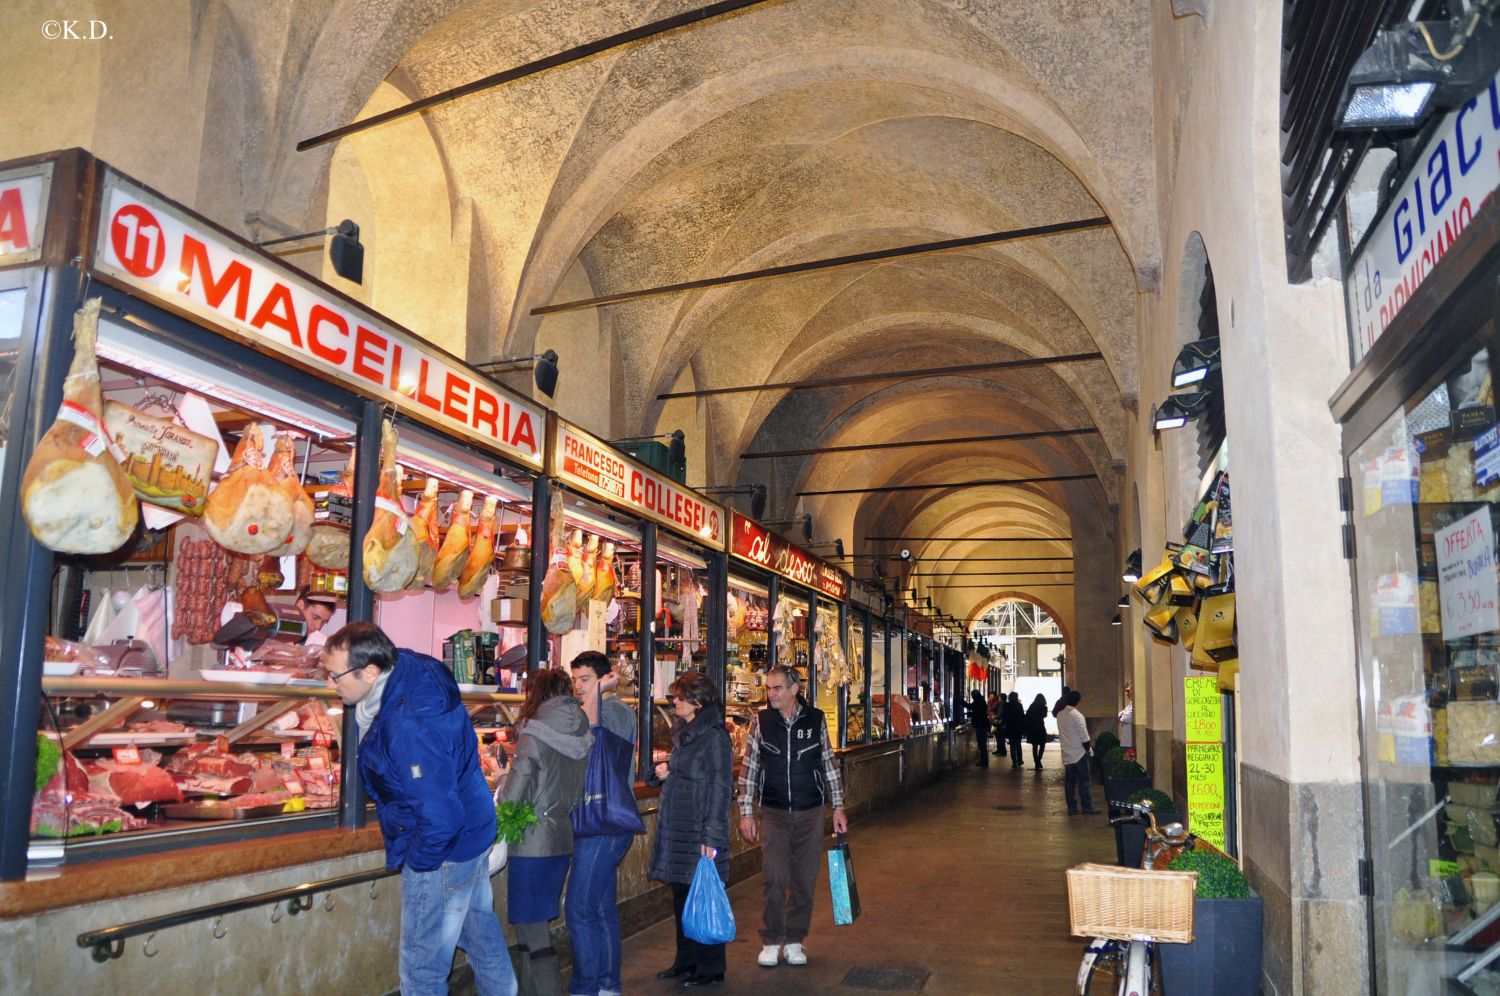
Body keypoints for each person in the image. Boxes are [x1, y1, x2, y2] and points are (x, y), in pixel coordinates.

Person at [322, 622, 515, 996]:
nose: (331, 684)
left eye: (335, 675)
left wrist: (420, 862)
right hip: (472, 836)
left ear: (371, 671)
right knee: (481, 938)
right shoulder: (409, 670)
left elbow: (441, 816)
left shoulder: (408, 726)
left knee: (421, 969)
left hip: (444, 850)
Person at [737, 666, 848, 969]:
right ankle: (772, 940)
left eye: (777, 688)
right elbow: (749, 770)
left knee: (803, 880)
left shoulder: (815, 720)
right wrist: (746, 812)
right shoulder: (761, 722)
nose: (771, 694)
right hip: (773, 812)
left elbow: (828, 764)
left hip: (810, 813)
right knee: (774, 878)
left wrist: (837, 806)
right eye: (768, 688)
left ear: (794, 688)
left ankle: (795, 940)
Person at [502, 669, 592, 996]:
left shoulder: (533, 735)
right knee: (532, 928)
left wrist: (501, 791)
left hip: (532, 842)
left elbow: (514, 795)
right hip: (561, 838)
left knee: (533, 934)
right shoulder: (581, 732)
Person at [649, 671, 733, 989]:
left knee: (705, 895)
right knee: (682, 897)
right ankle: (685, 961)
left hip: (698, 830)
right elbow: (685, 772)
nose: (675, 702)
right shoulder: (685, 733)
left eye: (680, 697)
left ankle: (710, 967)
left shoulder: (714, 736)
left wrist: (711, 837)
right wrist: (666, 770)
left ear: (697, 701)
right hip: (679, 829)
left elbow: (719, 787)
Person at [565, 652, 637, 996]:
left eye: (585, 680)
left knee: (578, 909)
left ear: (604, 678)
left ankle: (586, 987)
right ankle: (608, 984)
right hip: (601, 821)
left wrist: (600, 691)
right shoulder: (602, 706)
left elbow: (588, 733)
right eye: (575, 680)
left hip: (604, 822)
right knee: (600, 907)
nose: (579, 687)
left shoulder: (615, 710)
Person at [1057, 690, 1099, 815]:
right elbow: (1084, 736)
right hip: (1079, 753)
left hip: (1066, 752)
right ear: (1077, 701)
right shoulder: (1076, 715)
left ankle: (1071, 806)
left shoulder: (1060, 714)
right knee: (1084, 780)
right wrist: (1089, 749)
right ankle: (1086, 805)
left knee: (1069, 782)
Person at [1025, 693, 1049, 770]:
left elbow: (1027, 714)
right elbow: (1045, 715)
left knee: (1034, 746)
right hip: (1040, 727)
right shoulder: (1044, 707)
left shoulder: (1032, 706)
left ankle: (1036, 762)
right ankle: (1039, 759)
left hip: (1033, 728)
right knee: (1042, 744)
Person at [1002, 692, 1027, 768]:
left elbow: (1005, 716)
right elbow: (1022, 716)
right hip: (1018, 727)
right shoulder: (1019, 705)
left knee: (1012, 745)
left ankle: (1014, 762)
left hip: (1010, 727)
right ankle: (1020, 760)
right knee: (1018, 745)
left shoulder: (1007, 705)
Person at [967, 690, 991, 767]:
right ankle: (984, 760)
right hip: (982, 725)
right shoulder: (981, 701)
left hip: (980, 725)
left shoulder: (978, 702)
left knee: (982, 744)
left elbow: (972, 707)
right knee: (982, 744)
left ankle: (983, 761)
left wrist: (962, 702)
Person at [986, 692, 1005, 757]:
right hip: (996, 721)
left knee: (1000, 737)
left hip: (998, 722)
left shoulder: (998, 703)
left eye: (991, 695)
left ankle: (1001, 751)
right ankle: (1000, 750)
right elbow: (989, 710)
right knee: (998, 737)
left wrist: (994, 716)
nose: (990, 696)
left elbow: (991, 709)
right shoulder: (999, 703)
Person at [1118, 683, 1135, 752]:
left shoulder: (1134, 704)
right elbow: (1120, 715)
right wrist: (1122, 715)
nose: (1126, 693)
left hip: (1129, 737)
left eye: (1128, 691)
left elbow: (1125, 718)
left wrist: (1122, 715)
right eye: (1125, 691)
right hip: (1126, 736)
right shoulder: (1130, 704)